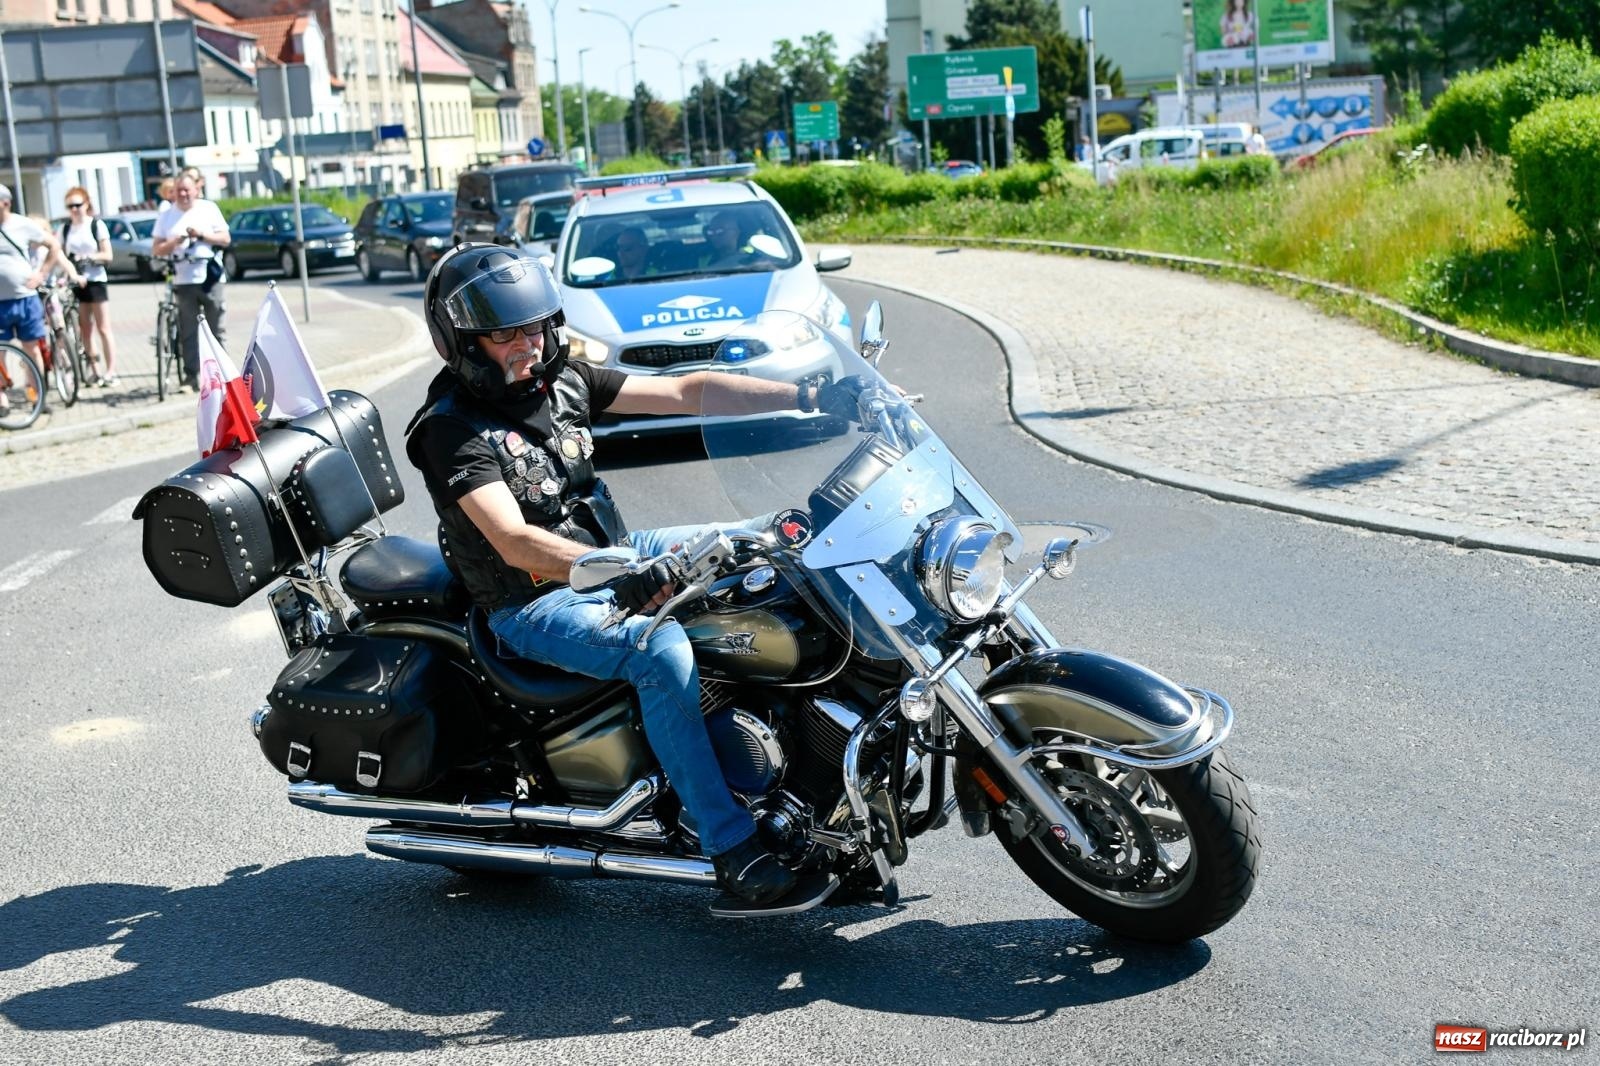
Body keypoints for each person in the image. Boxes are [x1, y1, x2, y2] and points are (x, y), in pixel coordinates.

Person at [404, 245, 864, 907]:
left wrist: (811, 393)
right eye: (505, 333)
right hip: (535, 599)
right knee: (660, 649)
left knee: (778, 535)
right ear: (463, 341)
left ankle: (819, 780)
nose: (527, 345)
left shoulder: (561, 380)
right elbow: (511, 540)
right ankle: (730, 843)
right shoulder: (450, 429)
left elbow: (686, 390)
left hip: (617, 551)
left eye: (535, 326)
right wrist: (618, 571)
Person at [150, 172, 231, 392]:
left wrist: (202, 235)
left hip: (210, 276)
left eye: (187, 190)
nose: (184, 194)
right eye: (179, 191)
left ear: (196, 189)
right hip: (182, 278)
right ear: (173, 192)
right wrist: (174, 242)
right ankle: (191, 377)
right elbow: (156, 248)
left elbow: (225, 239)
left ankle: (224, 376)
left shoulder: (208, 208)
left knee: (216, 327)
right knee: (188, 330)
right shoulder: (167, 215)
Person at [0, 185, 69, 416]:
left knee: (32, 349)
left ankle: (37, 396)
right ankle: (2, 400)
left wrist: (42, 273)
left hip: (25, 298)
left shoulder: (22, 225)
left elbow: (54, 245)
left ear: (6, 203)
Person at [60, 186, 117, 387]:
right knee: (85, 329)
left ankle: (111, 371)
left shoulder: (96, 225)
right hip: (76, 282)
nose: (75, 209)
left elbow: (108, 255)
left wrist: (90, 257)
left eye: (78, 205)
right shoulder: (65, 229)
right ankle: (95, 370)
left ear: (86, 204)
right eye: (70, 206)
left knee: (103, 327)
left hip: (96, 280)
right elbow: (60, 256)